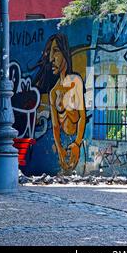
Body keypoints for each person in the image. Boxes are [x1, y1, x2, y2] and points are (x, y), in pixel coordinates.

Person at [44, 34, 86, 172]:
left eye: (55, 51)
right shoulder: (53, 92)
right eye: (50, 53)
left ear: (64, 52)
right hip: (65, 142)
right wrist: (60, 148)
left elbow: (82, 117)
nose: (51, 59)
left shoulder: (75, 81)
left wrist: (77, 143)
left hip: (78, 143)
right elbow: (55, 126)